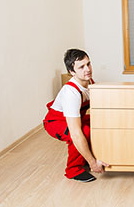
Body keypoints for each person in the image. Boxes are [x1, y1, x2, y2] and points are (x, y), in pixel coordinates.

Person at [43, 49, 109, 182]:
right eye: (81, 67)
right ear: (72, 72)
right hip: (55, 122)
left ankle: (91, 155)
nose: (88, 69)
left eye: (88, 64)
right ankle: (73, 169)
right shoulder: (71, 93)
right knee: (83, 131)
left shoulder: (90, 82)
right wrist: (93, 164)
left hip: (74, 117)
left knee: (101, 122)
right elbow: (75, 132)